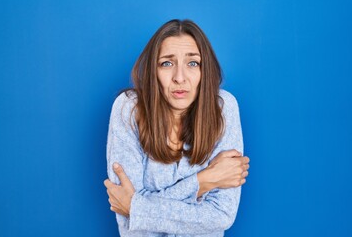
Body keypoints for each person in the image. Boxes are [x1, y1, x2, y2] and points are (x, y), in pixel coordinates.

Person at [103, 19, 250, 237]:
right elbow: (133, 228)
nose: (179, 78)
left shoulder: (224, 107)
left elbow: (221, 216)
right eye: (167, 63)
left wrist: (138, 208)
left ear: (204, 71)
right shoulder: (128, 109)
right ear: (154, 71)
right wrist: (203, 181)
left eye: (192, 63)